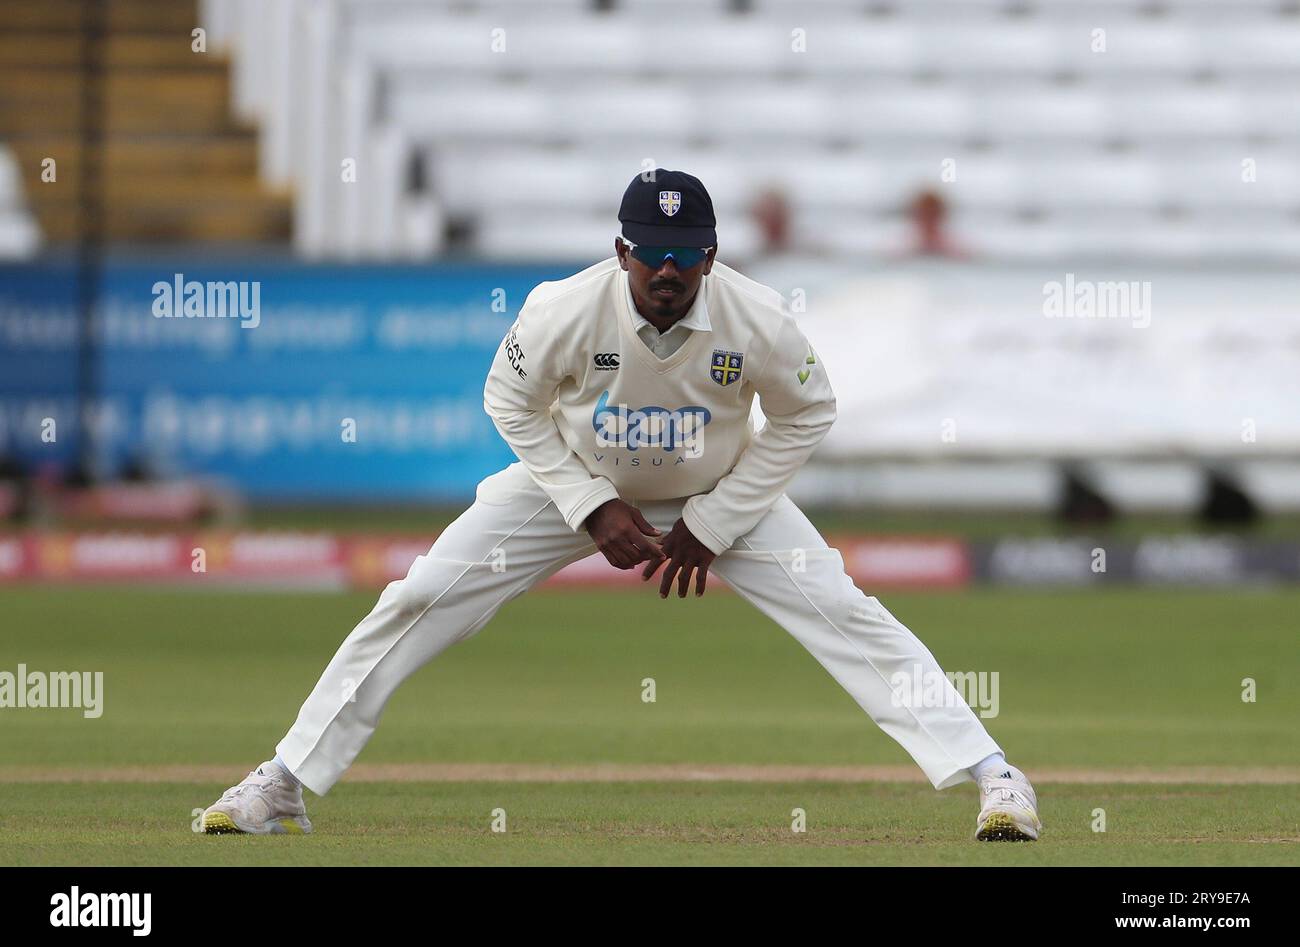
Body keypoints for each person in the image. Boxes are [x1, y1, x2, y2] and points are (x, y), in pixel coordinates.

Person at [201, 169, 1041, 842]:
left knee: (846, 613)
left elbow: (808, 412)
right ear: (620, 250)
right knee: (416, 598)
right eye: (650, 255)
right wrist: (588, 504)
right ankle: (284, 781)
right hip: (572, 479)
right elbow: (508, 400)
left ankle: (994, 777)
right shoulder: (563, 309)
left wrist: (715, 523)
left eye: (685, 255)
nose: (667, 272)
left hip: (716, 487)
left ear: (711, 256)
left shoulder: (758, 318)